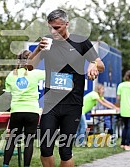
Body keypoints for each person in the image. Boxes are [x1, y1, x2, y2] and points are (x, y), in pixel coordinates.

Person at [29, 9, 105, 167]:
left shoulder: (81, 42)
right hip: (51, 104)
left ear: (66, 24)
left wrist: (92, 63)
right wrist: (37, 49)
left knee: (65, 150)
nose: (53, 31)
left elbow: (101, 65)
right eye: (50, 27)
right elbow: (29, 67)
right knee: (45, 147)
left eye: (57, 28)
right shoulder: (47, 42)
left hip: (72, 104)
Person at [3, 50, 45, 167]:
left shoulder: (11, 75)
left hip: (16, 111)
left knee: (12, 140)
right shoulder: (36, 73)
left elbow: (7, 96)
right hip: (32, 111)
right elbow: (54, 74)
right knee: (29, 142)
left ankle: (5, 165)